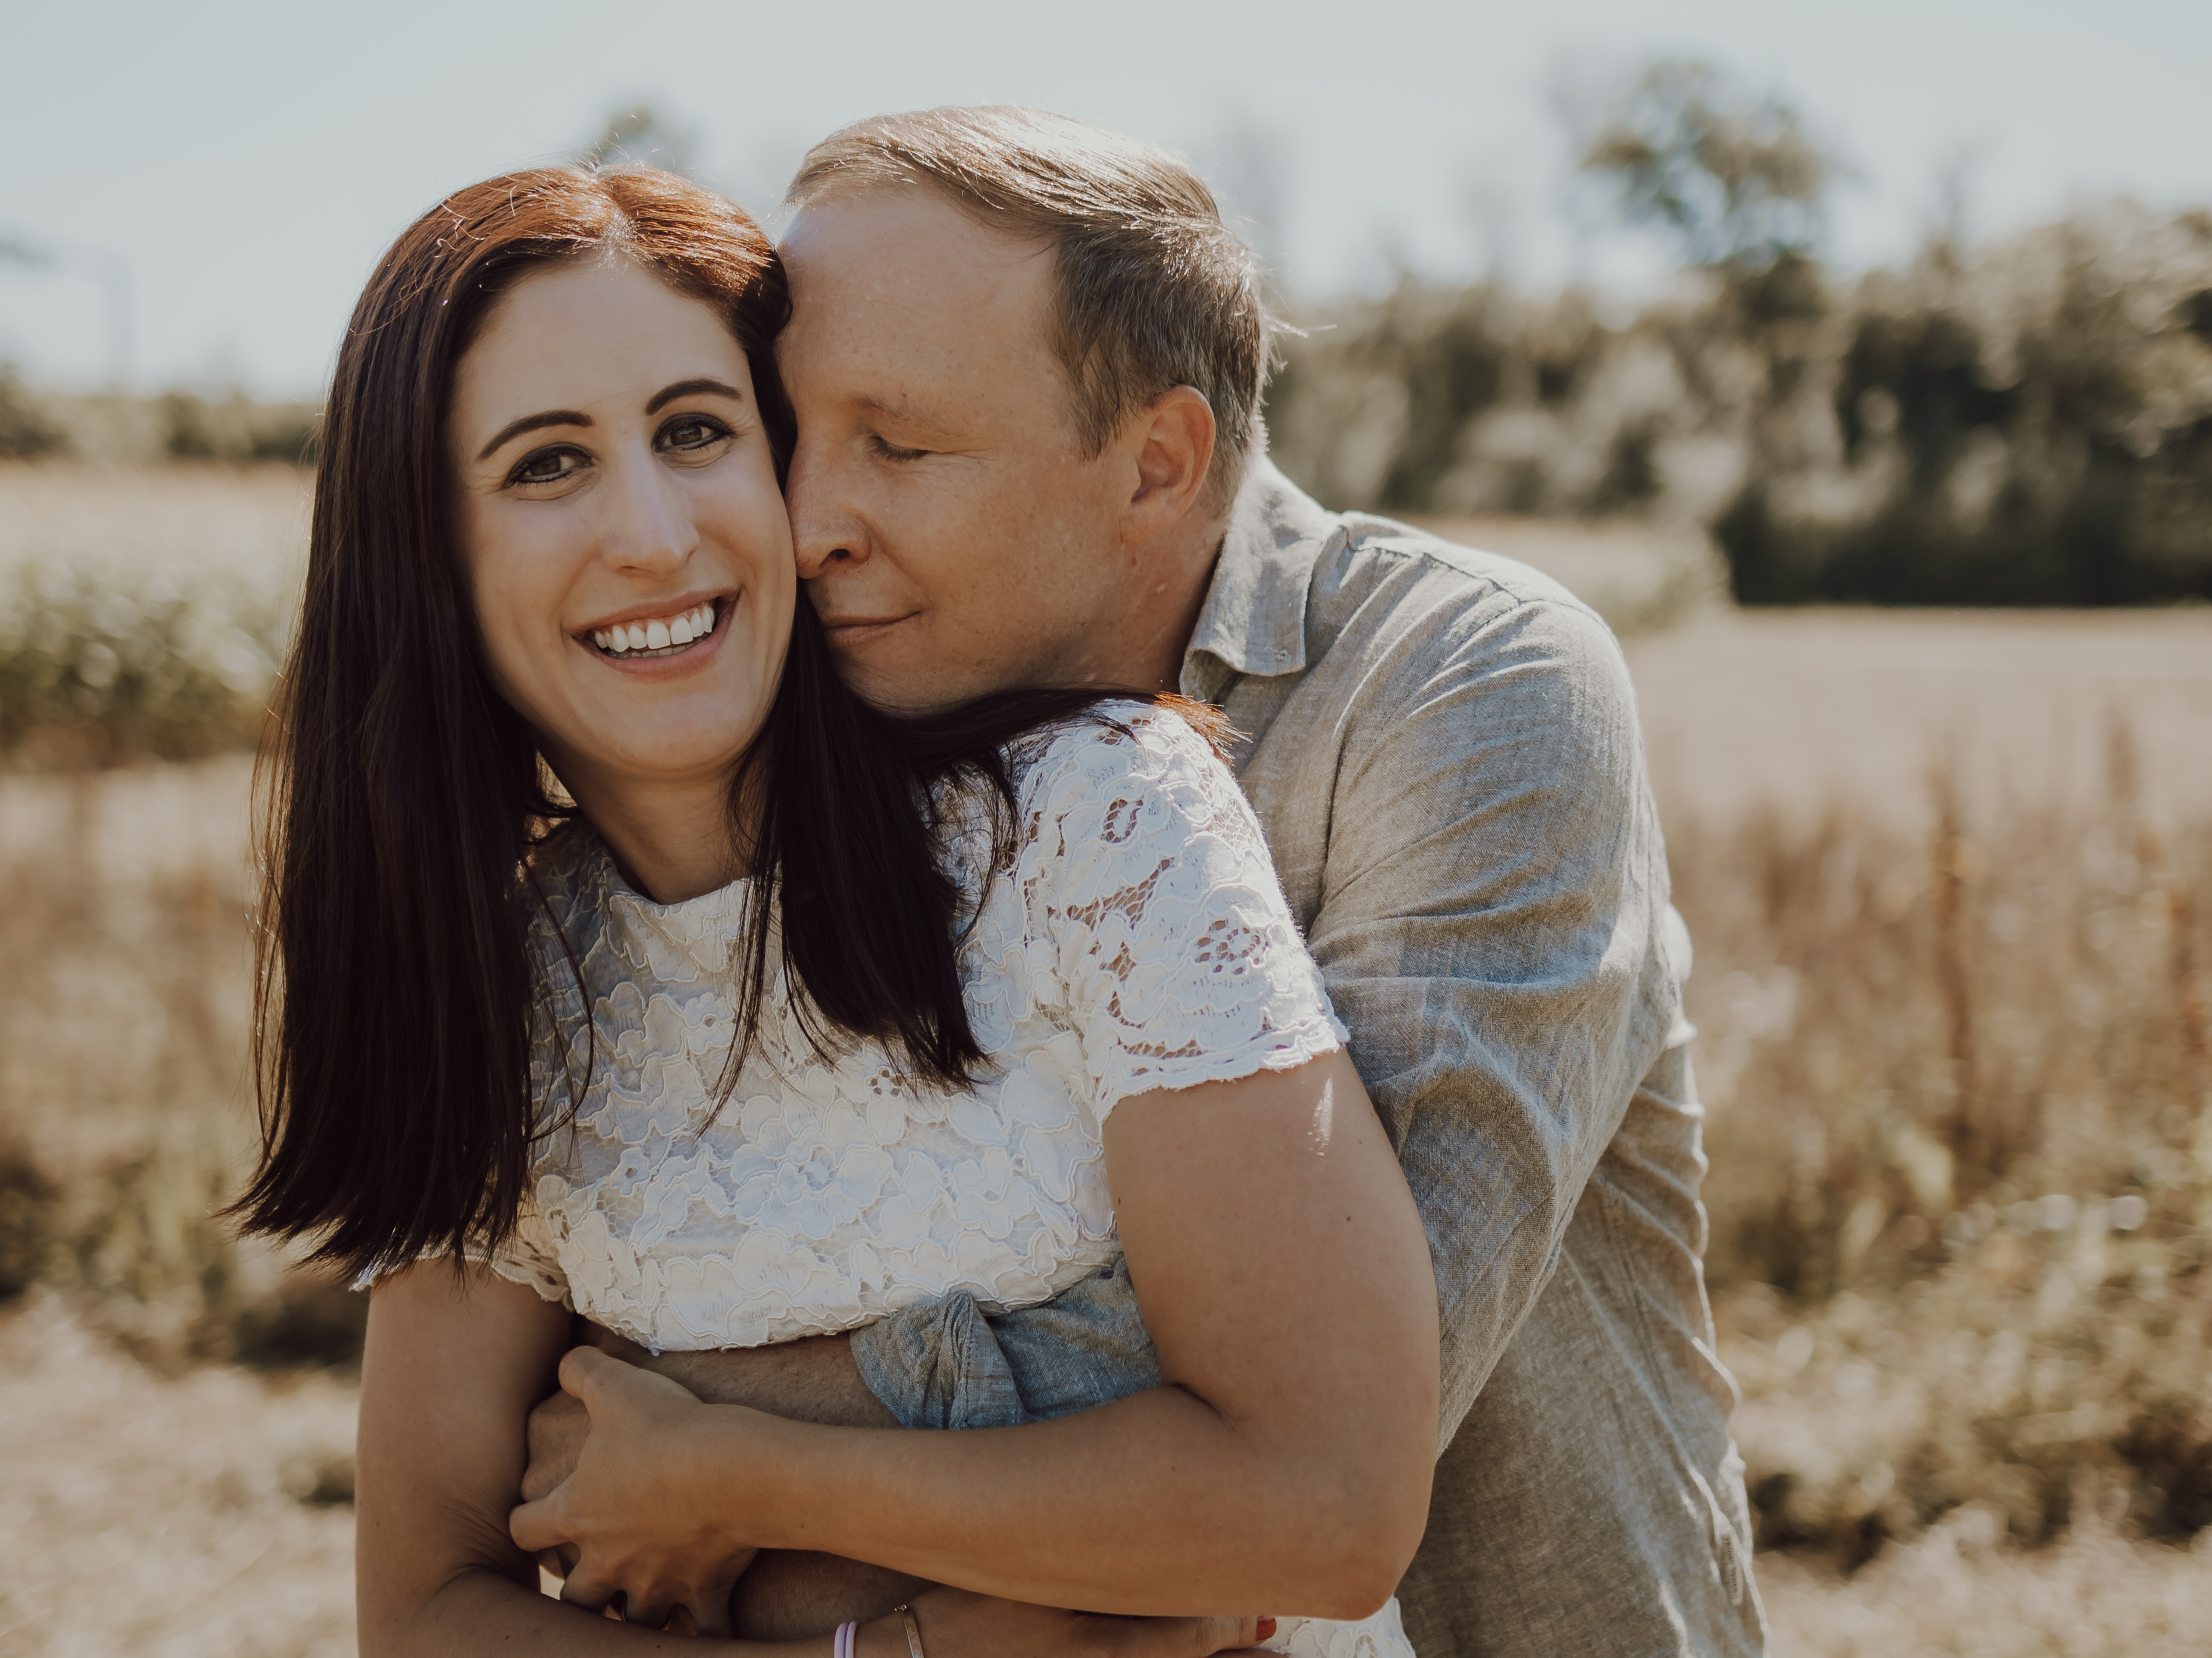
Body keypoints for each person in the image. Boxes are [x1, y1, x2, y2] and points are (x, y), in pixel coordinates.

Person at [514, 108, 1768, 1658]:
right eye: (787, 436)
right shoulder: (868, 709)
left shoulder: (1465, 687)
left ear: (1157, 463)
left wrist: (710, 1438)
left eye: (897, 446)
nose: (809, 522)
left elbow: (1341, 1391)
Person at [232, 160, 1441, 1658]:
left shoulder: (1093, 819)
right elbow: (423, 1616)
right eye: (547, 464)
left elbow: (1326, 1504)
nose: (657, 535)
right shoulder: (506, 977)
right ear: (428, 556)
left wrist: (726, 1474)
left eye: (697, 432)